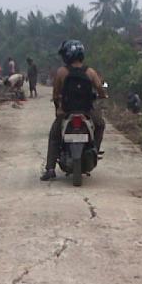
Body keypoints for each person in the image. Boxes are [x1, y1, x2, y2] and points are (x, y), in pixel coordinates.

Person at [40, 40, 107, 181]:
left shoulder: (61, 72)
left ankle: (50, 169)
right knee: (100, 125)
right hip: (87, 112)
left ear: (67, 55)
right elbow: (100, 89)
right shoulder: (90, 72)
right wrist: (102, 95)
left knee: (54, 136)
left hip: (67, 112)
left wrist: (58, 106)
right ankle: (94, 150)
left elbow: (55, 94)